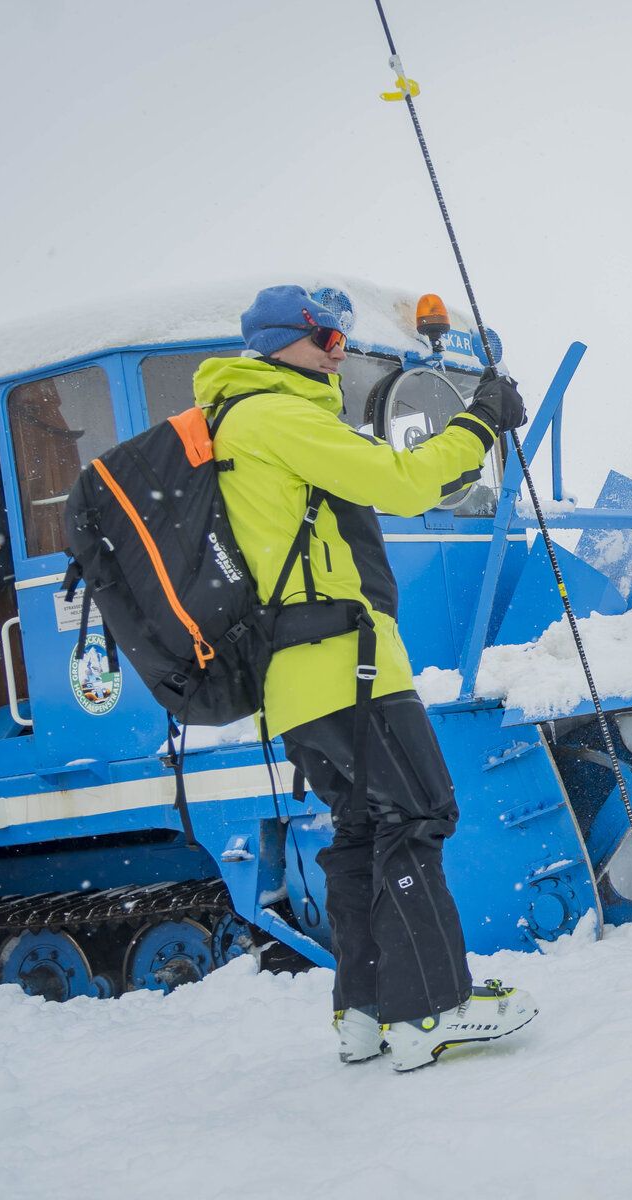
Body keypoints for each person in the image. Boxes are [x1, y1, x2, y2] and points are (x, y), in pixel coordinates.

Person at [196, 285, 535, 1072]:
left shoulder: (243, 420)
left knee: (364, 833)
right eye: (326, 337)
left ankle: (366, 1010)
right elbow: (405, 483)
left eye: (343, 337)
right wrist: (480, 422)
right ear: (283, 342)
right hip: (347, 671)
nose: (339, 348)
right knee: (417, 816)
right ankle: (434, 1010)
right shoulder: (275, 415)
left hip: (302, 679)